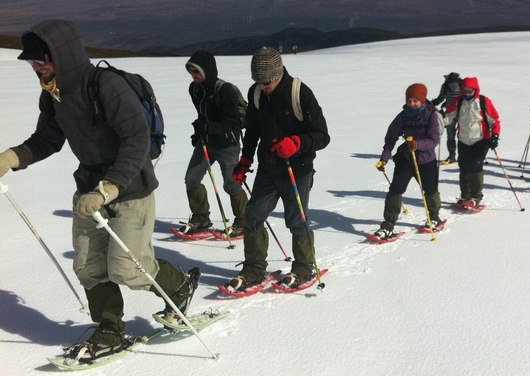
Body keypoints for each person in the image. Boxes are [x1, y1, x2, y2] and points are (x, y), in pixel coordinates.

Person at [0, 20, 198, 362]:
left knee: (127, 269)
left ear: (61, 55)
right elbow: (48, 138)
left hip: (131, 187)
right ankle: (109, 328)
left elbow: (136, 140)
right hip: (89, 190)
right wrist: (12, 157)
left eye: (40, 61)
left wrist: (109, 187)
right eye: (32, 63)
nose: (36, 68)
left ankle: (179, 285)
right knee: (89, 266)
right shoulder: (54, 93)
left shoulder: (105, 85)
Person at [223, 47, 330, 291]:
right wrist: (245, 160)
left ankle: (303, 267)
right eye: (258, 80)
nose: (264, 85)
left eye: (268, 80)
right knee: (252, 216)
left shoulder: (299, 93)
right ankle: (254, 269)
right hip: (268, 169)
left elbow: (323, 136)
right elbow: (253, 130)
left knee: (296, 219)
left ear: (279, 73)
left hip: (297, 169)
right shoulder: (256, 93)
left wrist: (297, 143)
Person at [181, 50, 248, 236]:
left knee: (231, 184)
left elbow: (233, 123)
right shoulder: (195, 89)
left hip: (227, 144)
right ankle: (201, 217)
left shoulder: (224, 90)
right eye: (191, 72)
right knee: (192, 179)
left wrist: (207, 128)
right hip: (206, 143)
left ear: (207, 70)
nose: (193, 75)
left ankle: (243, 220)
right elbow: (203, 116)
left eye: (196, 71)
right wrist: (199, 132)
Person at [373, 84, 442, 240]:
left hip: (426, 160)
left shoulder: (431, 116)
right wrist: (384, 158)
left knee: (430, 189)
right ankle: (388, 226)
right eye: (409, 100)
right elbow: (391, 137)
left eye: (416, 100)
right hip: (406, 158)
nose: (412, 104)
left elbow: (433, 140)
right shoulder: (403, 116)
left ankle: (434, 217)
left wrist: (418, 144)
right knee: (395, 190)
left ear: (423, 100)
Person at [444, 77, 501, 208]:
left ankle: (476, 196)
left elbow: (494, 120)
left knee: (475, 165)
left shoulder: (483, 101)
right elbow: (448, 117)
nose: (467, 94)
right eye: (465, 91)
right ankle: (465, 195)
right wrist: (438, 120)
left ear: (475, 90)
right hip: (464, 139)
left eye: (470, 92)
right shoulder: (458, 101)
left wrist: (495, 136)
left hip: (481, 139)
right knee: (463, 166)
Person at [431, 72, 462, 164]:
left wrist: (432, 103)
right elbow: (441, 98)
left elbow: (440, 98)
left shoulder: (449, 85)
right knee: (457, 136)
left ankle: (457, 156)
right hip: (455, 113)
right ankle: (457, 156)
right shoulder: (449, 86)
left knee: (456, 136)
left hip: (456, 113)